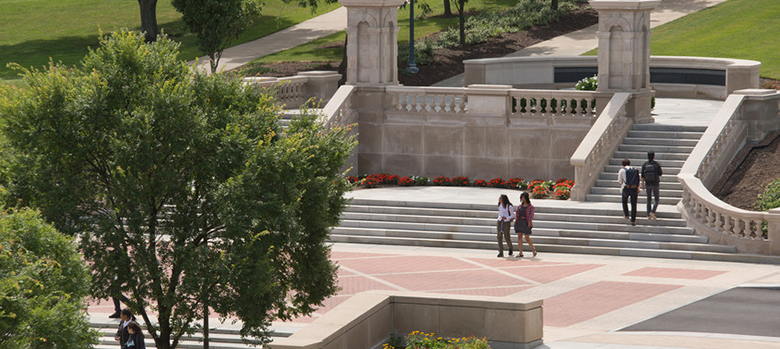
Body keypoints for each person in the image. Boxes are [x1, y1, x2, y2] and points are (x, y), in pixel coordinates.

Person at [618, 158, 641, 226]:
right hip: (634, 188)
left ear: (623, 164)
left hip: (626, 187)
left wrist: (623, 182)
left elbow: (619, 181)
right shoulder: (634, 169)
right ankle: (633, 220)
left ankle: (626, 214)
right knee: (634, 204)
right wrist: (638, 188)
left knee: (624, 201)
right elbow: (637, 179)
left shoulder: (622, 170)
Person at [641, 151, 663, 220]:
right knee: (656, 199)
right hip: (655, 183)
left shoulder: (645, 164)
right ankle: (653, 211)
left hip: (647, 183)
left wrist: (642, 184)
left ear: (647, 156)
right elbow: (660, 173)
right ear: (654, 156)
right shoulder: (656, 164)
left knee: (648, 199)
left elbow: (642, 175)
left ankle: (648, 214)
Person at [515, 192, 537, 257]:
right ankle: (521, 252)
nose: (522, 199)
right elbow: (517, 214)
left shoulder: (530, 207)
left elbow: (531, 215)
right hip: (520, 221)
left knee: (527, 237)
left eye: (523, 197)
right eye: (521, 197)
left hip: (526, 222)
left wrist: (529, 224)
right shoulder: (519, 206)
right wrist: (516, 221)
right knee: (519, 236)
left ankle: (533, 249)